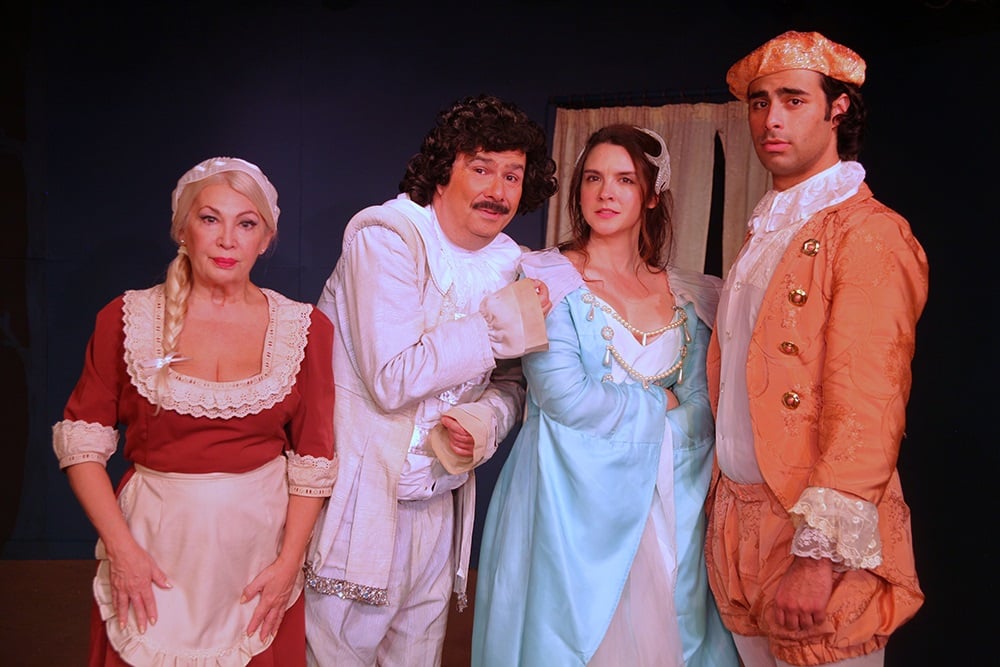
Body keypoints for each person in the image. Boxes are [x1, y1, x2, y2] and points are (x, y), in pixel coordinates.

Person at [304, 93, 558, 666]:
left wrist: (481, 422)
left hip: (439, 501)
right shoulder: (387, 237)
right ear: (443, 171)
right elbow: (392, 376)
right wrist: (500, 324)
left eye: (513, 175)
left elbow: (514, 384)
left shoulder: (511, 263)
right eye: (481, 168)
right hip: (361, 501)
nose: (498, 191)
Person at [52, 157, 338, 666]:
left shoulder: (305, 329)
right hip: (152, 552)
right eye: (210, 219)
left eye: (246, 224)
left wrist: (288, 564)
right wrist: (122, 551)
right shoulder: (126, 318)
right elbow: (81, 445)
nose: (227, 240)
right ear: (182, 229)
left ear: (265, 238)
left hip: (258, 561)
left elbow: (313, 461)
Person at [472, 124, 739, 666]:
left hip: (666, 506)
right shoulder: (545, 277)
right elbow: (563, 396)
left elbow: (702, 409)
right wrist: (659, 404)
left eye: (624, 180)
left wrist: (648, 412)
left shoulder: (691, 295)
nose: (605, 193)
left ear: (652, 195)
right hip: (566, 504)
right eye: (593, 178)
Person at [704, 31, 928, 667]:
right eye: (760, 102)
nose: (771, 119)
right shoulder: (768, 228)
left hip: (815, 536)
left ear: (838, 108)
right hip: (737, 525)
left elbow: (869, 407)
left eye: (794, 99)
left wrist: (818, 557)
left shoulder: (869, 233)